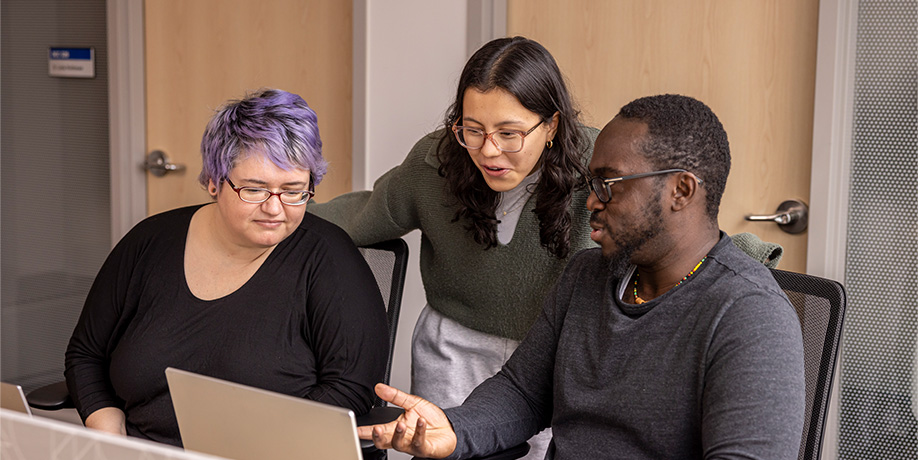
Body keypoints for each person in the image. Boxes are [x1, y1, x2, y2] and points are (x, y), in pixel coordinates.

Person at [357, 94, 806, 460]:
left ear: (681, 191)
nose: (591, 202)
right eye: (591, 184)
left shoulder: (750, 316)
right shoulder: (588, 275)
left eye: (609, 185)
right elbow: (522, 392)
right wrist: (454, 429)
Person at [308, 36, 597, 459]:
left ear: (551, 125)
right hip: (453, 352)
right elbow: (363, 214)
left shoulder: (596, 167)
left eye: (509, 133)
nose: (489, 150)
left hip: (547, 360)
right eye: (473, 129)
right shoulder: (438, 159)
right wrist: (276, 209)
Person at [64, 89, 389, 447]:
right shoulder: (149, 242)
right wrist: (111, 438)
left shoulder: (329, 258)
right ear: (213, 183)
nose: (275, 209)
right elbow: (87, 354)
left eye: (294, 190)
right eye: (254, 189)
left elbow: (351, 389)